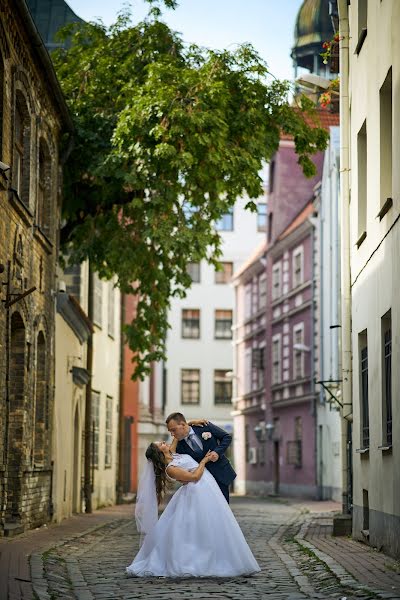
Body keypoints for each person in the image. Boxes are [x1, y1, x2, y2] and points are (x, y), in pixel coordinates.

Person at [126, 438, 260, 578]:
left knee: (215, 523)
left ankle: (219, 557)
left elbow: (177, 435)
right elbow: (194, 476)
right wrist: (204, 461)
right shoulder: (170, 468)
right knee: (196, 526)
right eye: (160, 444)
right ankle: (195, 561)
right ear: (158, 452)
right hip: (195, 493)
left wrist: (195, 422)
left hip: (207, 488)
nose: (163, 443)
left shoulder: (174, 453)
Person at [166, 412, 236, 503]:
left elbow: (226, 437)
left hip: (220, 474)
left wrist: (217, 452)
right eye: (170, 431)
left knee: (223, 507)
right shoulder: (179, 446)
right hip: (202, 482)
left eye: (173, 430)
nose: (172, 434)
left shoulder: (204, 426)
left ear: (182, 424)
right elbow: (173, 457)